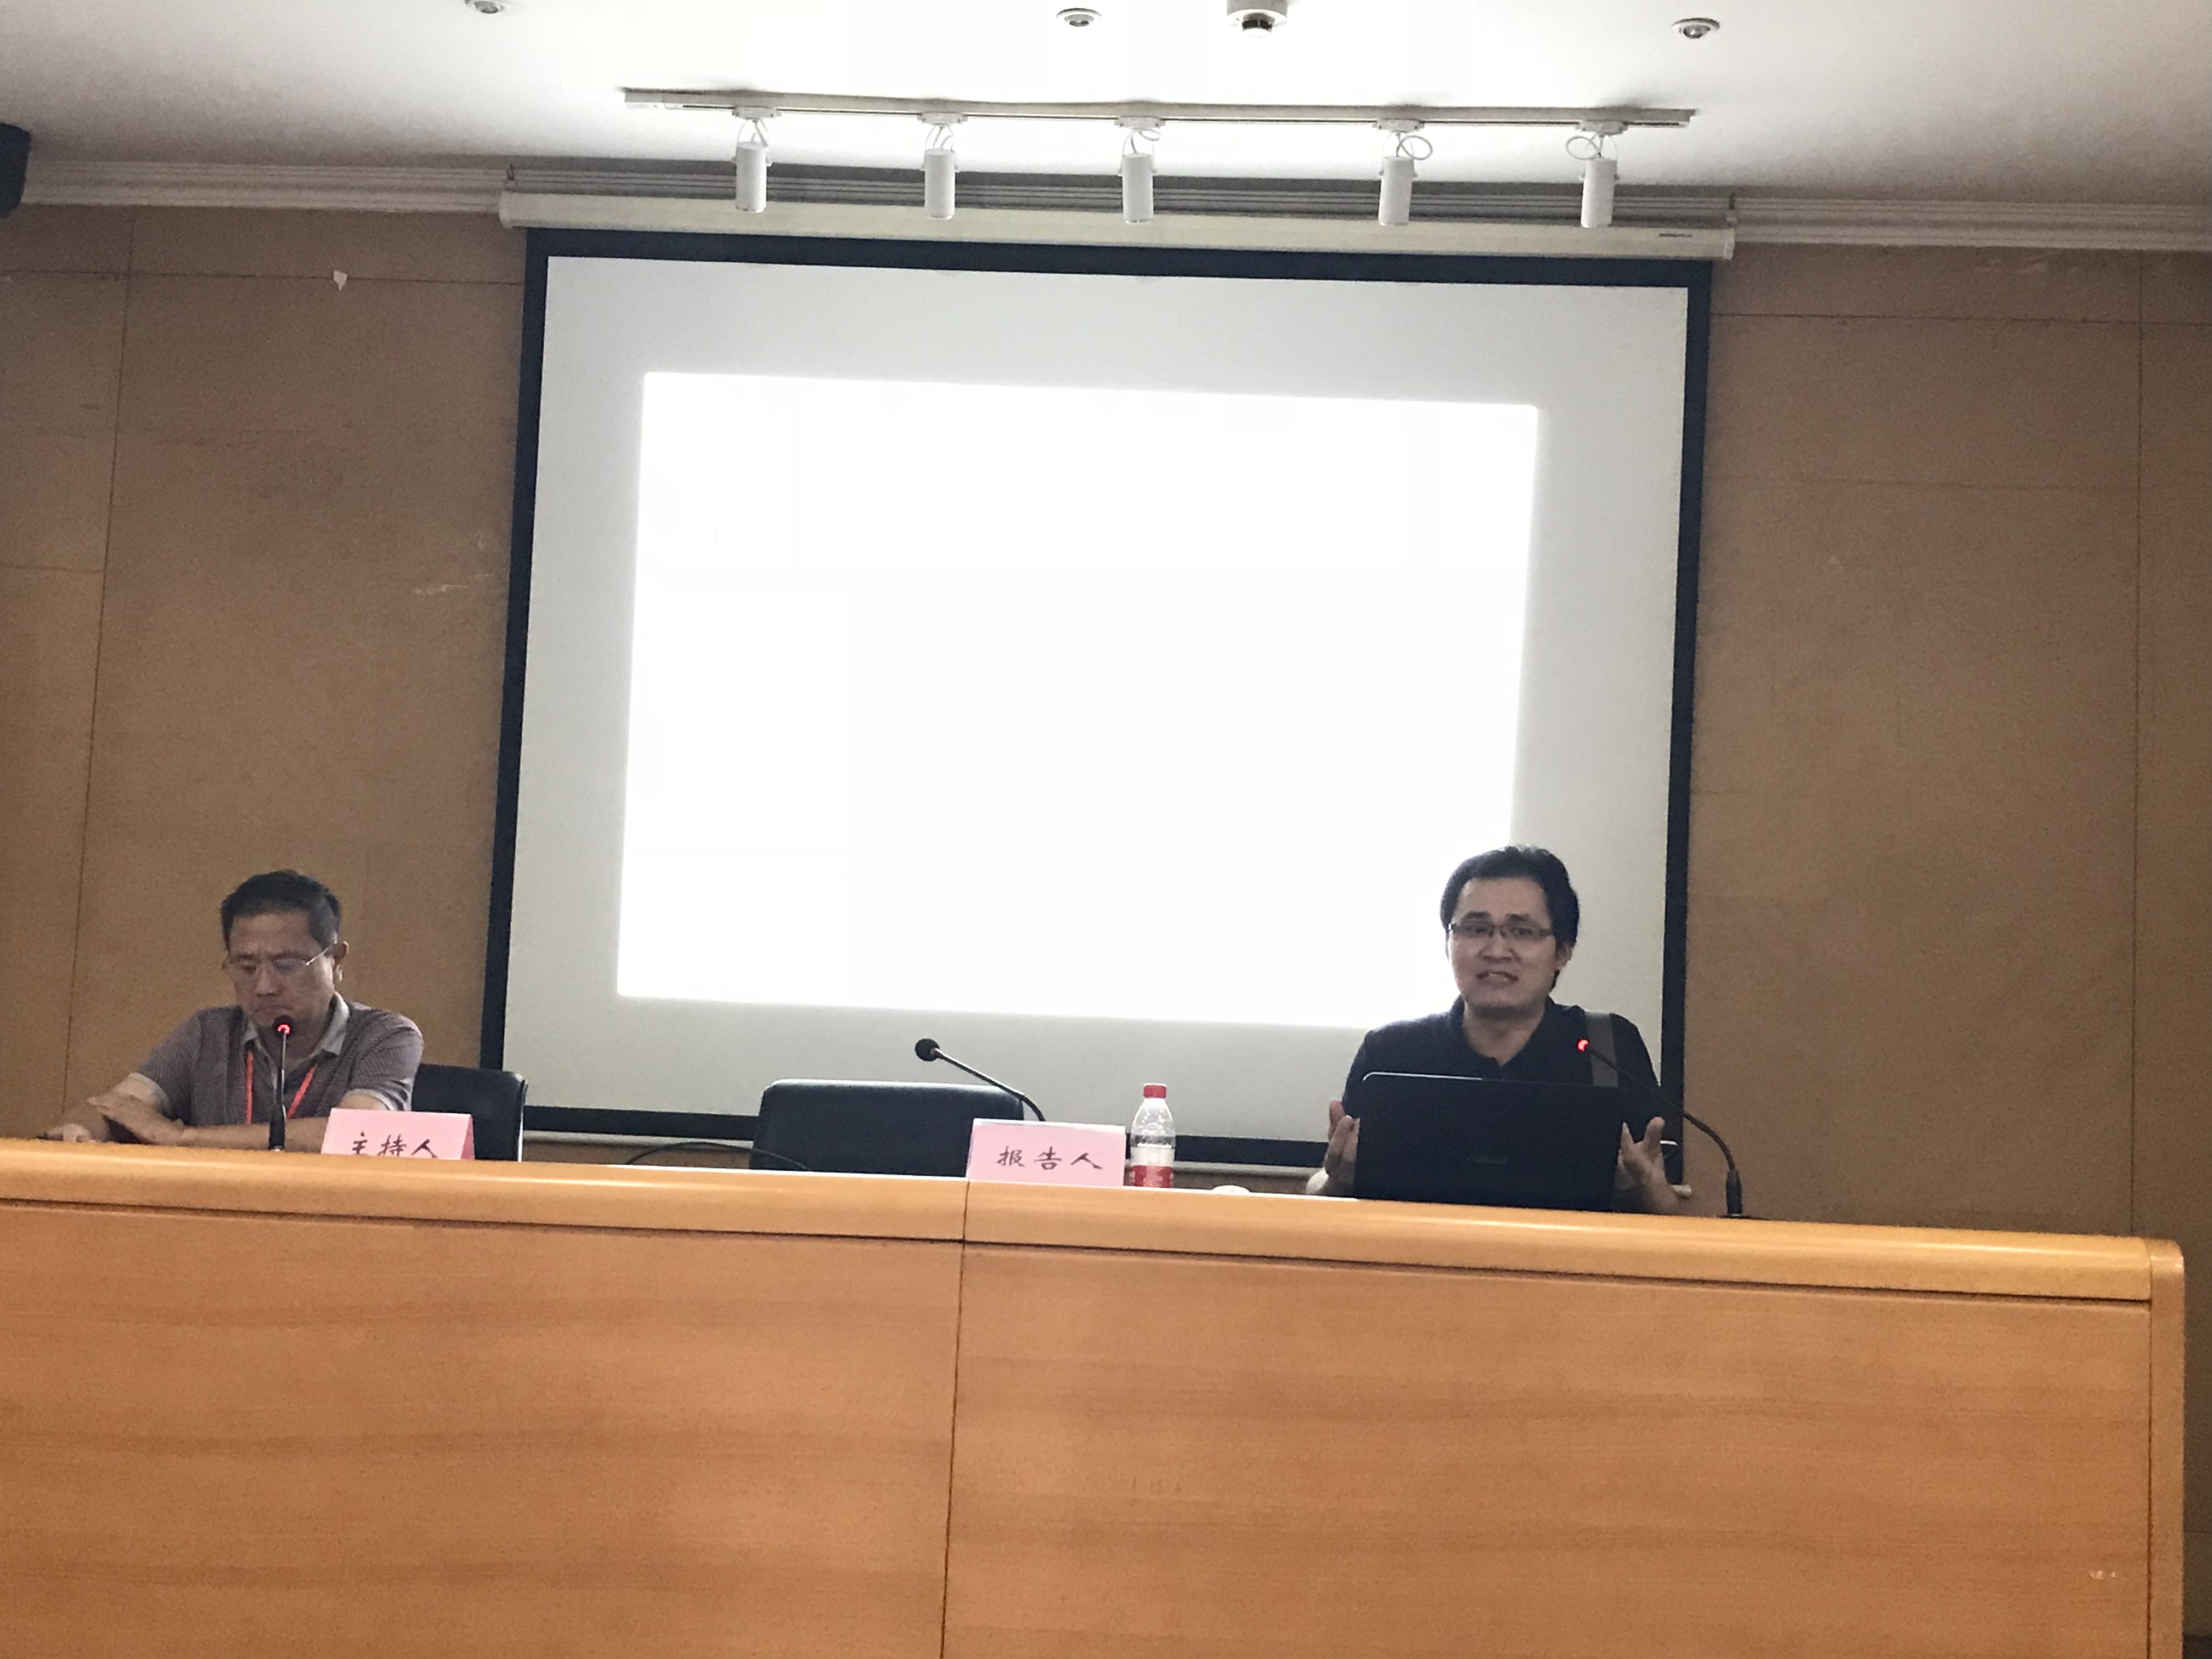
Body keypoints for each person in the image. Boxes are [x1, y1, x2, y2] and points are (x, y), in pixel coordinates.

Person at [1309, 845, 1679, 1212]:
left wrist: (1646, 1188)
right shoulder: (1392, 1051)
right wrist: (1337, 1180)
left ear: (1563, 951)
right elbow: (1322, 1189)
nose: (1497, 950)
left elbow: (1664, 1210)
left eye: (1522, 931)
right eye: (1476, 929)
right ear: (1448, 943)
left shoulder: (1608, 1047)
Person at [43, 870, 422, 1153]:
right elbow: (118, 1107)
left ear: (336, 961)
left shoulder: (385, 1035)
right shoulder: (207, 1033)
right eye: (246, 966)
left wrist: (184, 1138)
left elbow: (357, 1136)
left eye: (286, 965)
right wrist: (79, 1130)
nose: (264, 986)